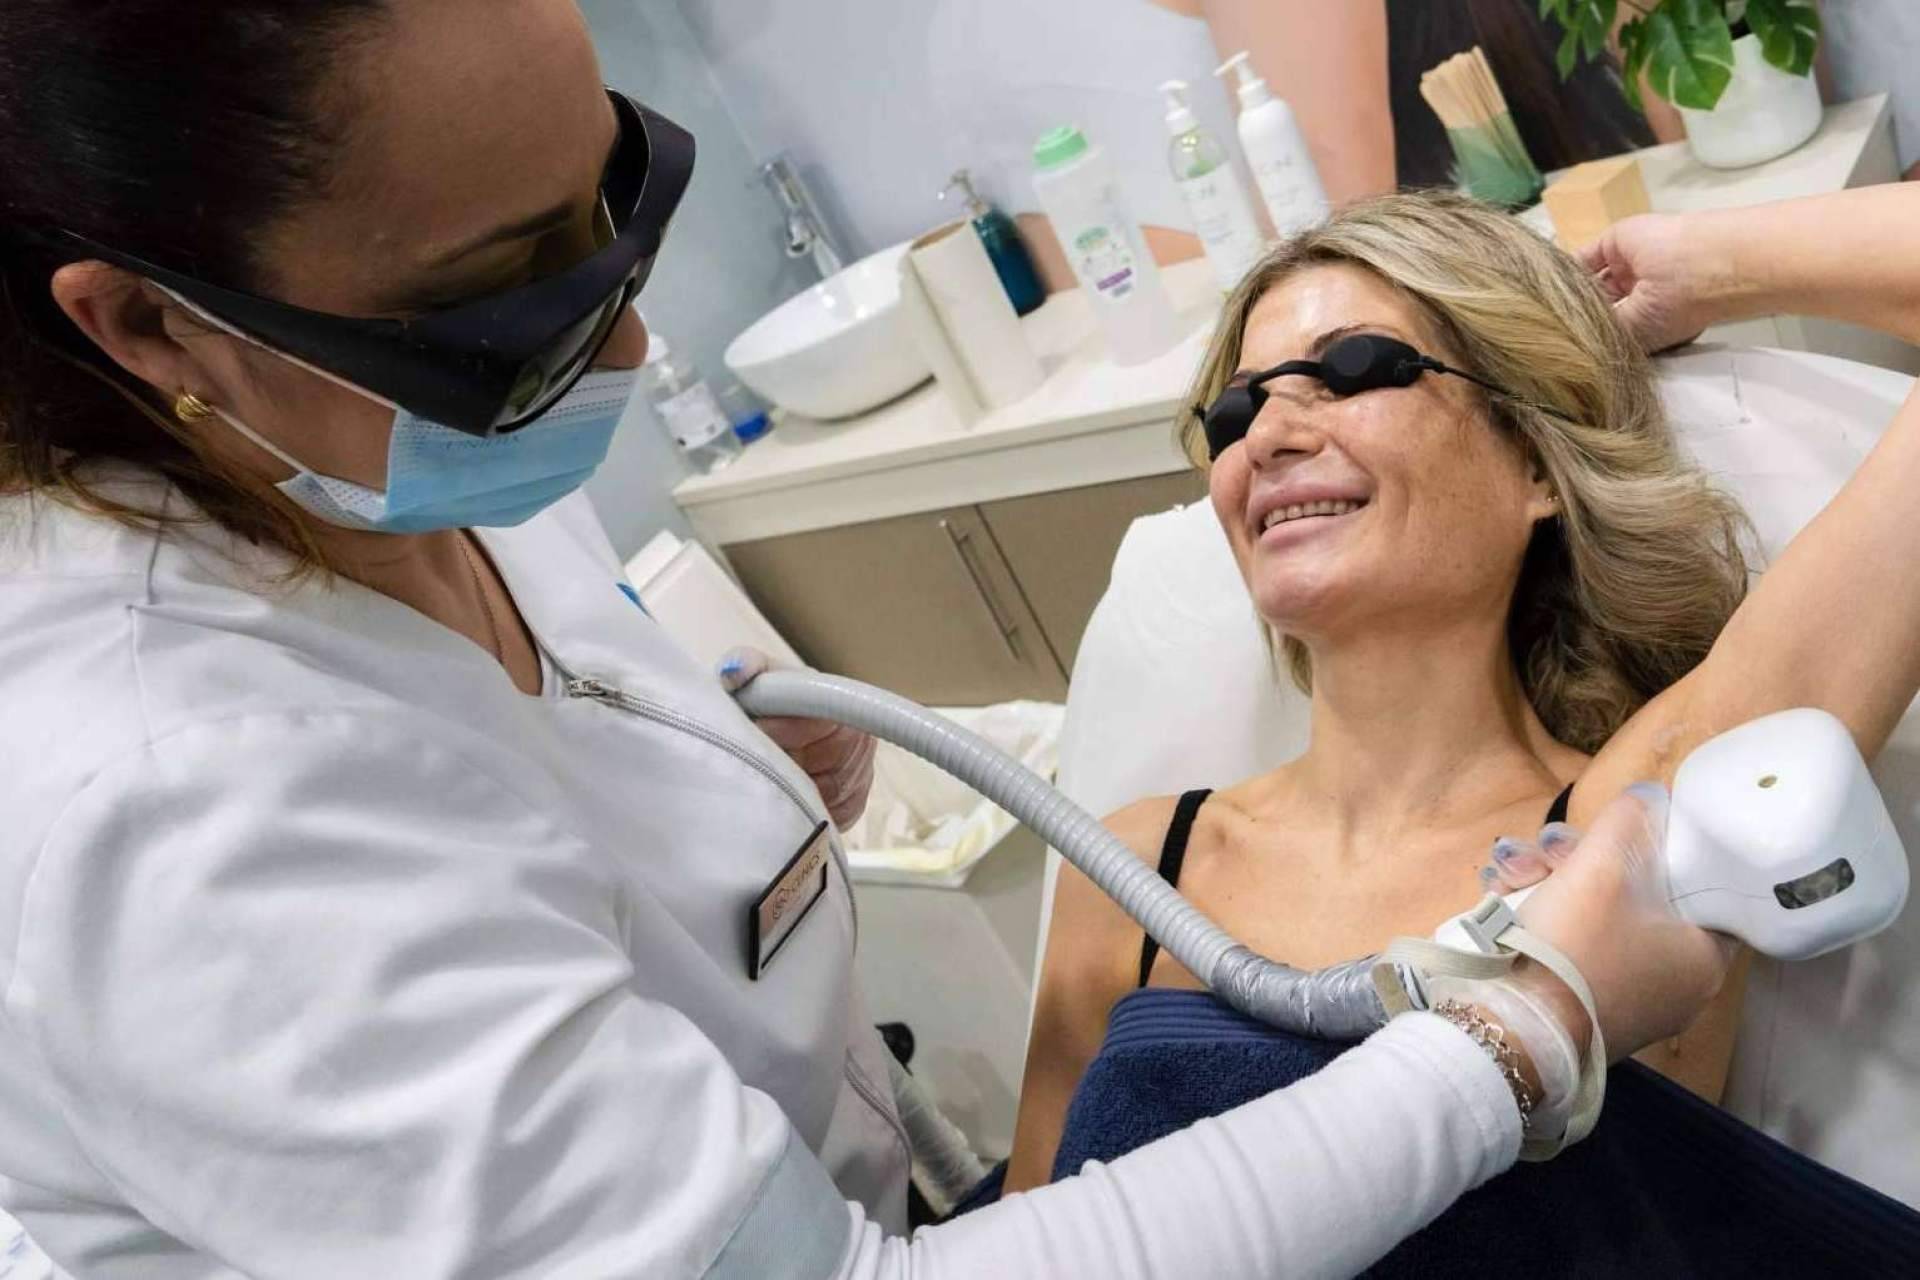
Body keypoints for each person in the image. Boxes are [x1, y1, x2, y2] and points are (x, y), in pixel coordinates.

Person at [0, 3, 1731, 1276]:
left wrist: (707, 779)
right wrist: (1517, 1041)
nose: (628, 359)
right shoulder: (164, 806)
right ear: (154, 329)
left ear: (1540, 460)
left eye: (620, 197)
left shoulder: (1626, 822)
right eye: (513, 305)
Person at [1008, 181, 1920, 1222]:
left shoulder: (1639, 838)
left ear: (1535, 460)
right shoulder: (1133, 873)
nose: (1265, 437)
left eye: (1354, 369)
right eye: (1236, 410)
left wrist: (1708, 264)